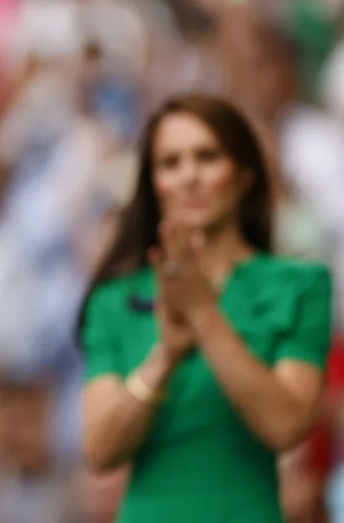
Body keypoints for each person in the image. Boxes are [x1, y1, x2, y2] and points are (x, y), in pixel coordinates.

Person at [79, 94, 333, 522]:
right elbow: (100, 450)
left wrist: (203, 316)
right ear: (153, 183)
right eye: (171, 163)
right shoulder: (115, 299)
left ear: (244, 173)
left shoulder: (299, 285)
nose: (189, 176)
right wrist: (166, 354)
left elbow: (286, 425)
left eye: (207, 157)